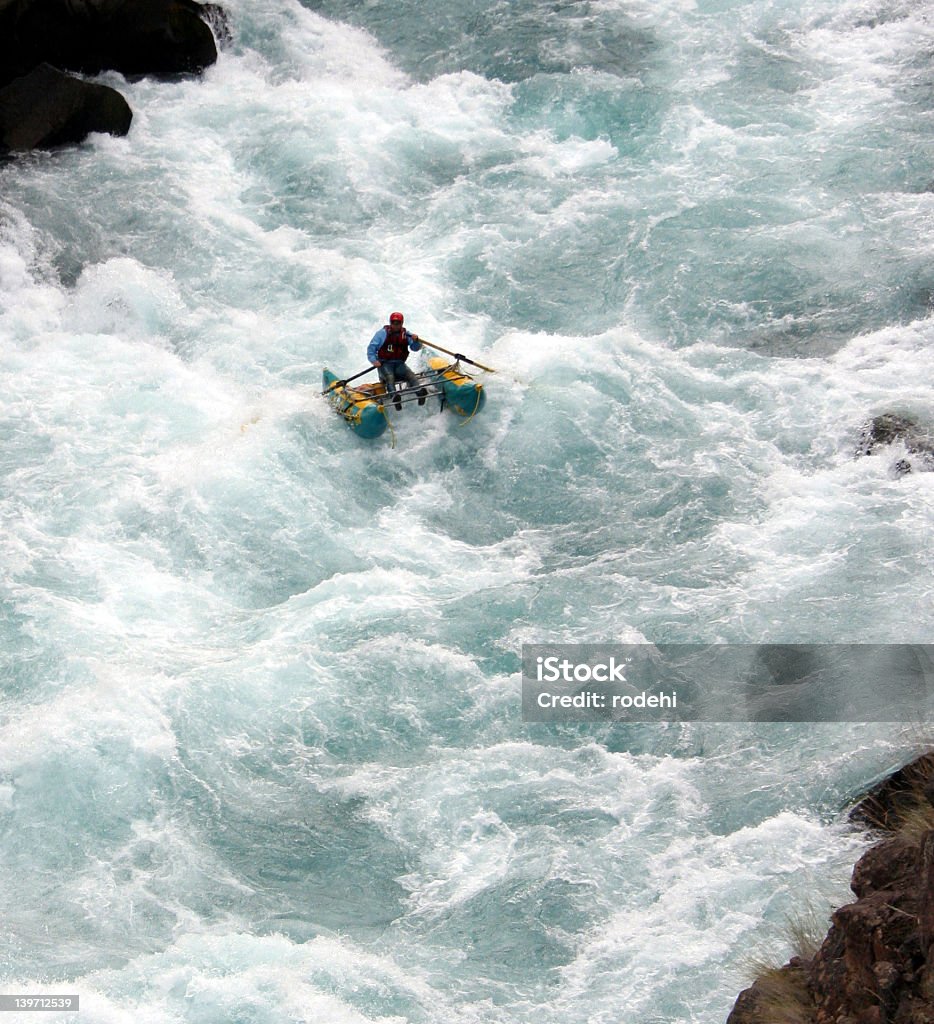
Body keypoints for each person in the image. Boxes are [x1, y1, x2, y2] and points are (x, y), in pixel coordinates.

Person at [367, 311, 428, 409]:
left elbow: (415, 348)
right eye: (393, 323)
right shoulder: (382, 333)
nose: (395, 325)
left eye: (398, 323)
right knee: (389, 377)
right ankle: (394, 397)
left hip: (399, 364)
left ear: (402, 323)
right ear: (390, 323)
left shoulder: (406, 334)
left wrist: (416, 341)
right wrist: (374, 361)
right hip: (385, 364)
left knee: (410, 375)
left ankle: (419, 392)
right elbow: (371, 349)